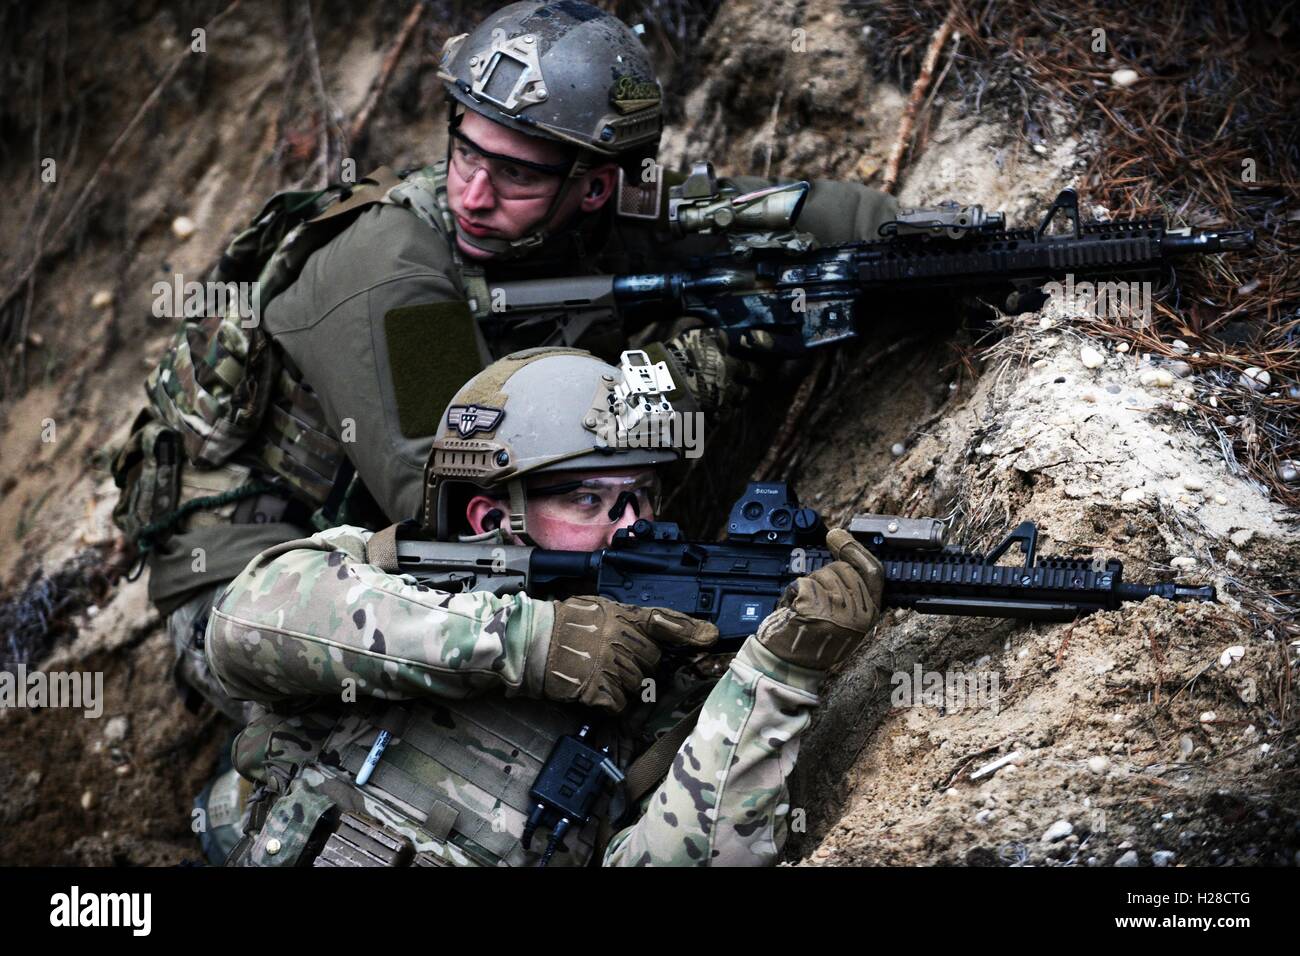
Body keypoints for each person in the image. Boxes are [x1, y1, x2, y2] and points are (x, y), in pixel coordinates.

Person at [117, 0, 902, 724]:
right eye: (466, 152)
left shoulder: (590, 204)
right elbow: (455, 499)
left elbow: (759, 215)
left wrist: (914, 248)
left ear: (596, 187)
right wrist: (706, 362)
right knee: (521, 712)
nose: (475, 194)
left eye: (516, 173)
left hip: (409, 535)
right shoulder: (392, 269)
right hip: (261, 589)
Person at [205, 347, 884, 866]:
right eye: (588, 500)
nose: (627, 526)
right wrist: (530, 641)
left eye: (640, 496)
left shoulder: (670, 691)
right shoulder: (392, 572)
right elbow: (243, 623)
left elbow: (703, 854)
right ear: (487, 516)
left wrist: (773, 676)